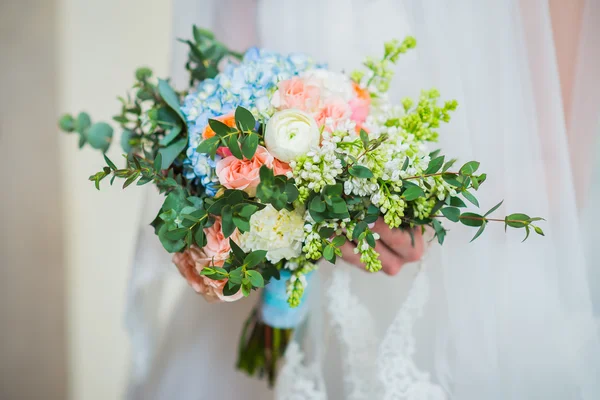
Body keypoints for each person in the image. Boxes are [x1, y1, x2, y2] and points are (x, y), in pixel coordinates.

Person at [127, 0, 600, 399]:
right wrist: (251, 205)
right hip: (278, 287)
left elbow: (560, 160)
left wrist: (423, 213)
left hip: (477, 305)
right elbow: (223, 89)